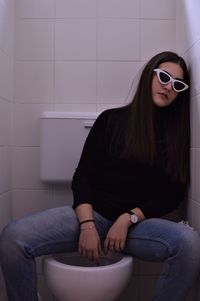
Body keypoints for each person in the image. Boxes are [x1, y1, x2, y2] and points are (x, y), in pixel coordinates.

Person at [0, 51, 200, 301]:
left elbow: (172, 195)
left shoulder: (176, 136)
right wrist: (87, 225)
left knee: (190, 244)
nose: (168, 86)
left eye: (177, 84)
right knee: (13, 238)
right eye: (163, 77)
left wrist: (129, 219)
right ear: (149, 75)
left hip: (138, 226)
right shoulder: (112, 120)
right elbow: (83, 176)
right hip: (93, 215)